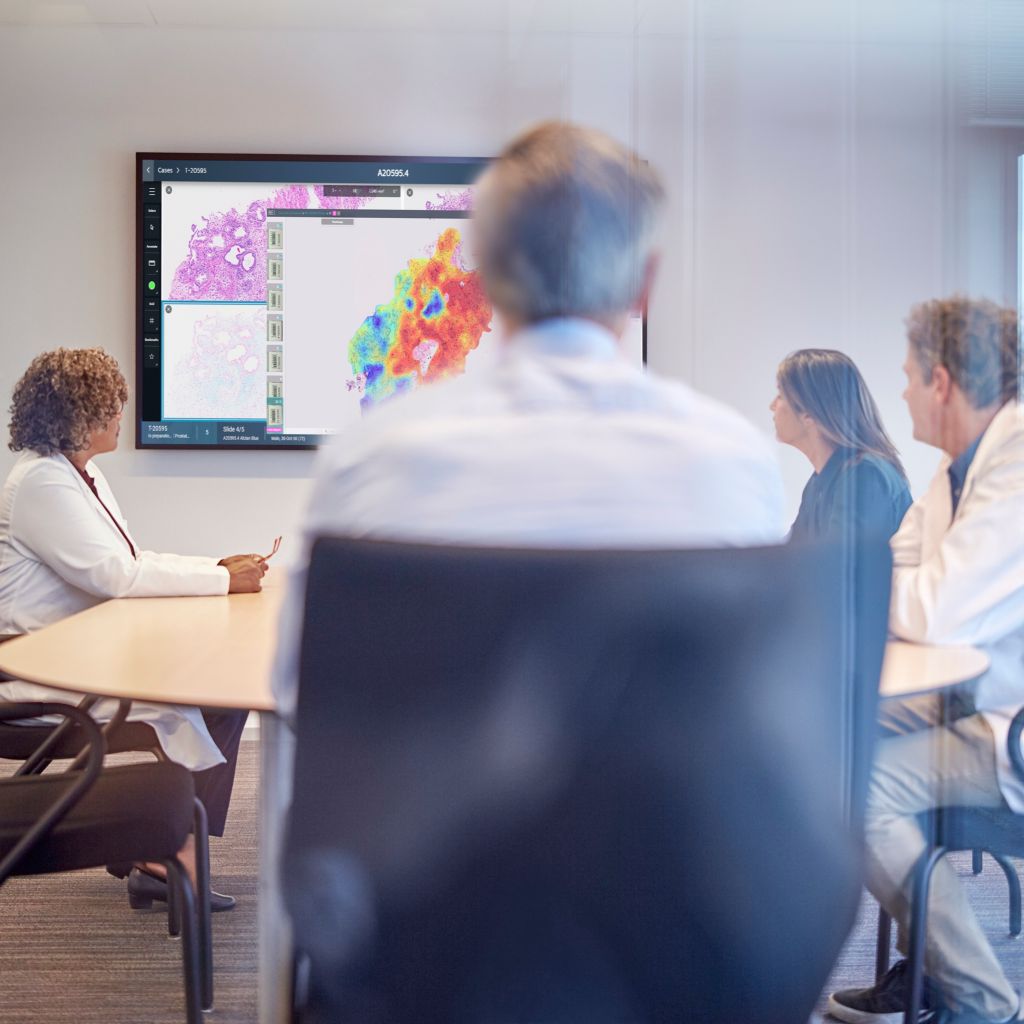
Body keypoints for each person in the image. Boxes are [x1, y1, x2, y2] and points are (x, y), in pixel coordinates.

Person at [273, 121, 790, 1020]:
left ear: (482, 273)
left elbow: (302, 698)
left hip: (424, 946)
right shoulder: (733, 458)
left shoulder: (371, 457)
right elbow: (751, 716)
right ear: (644, 282)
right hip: (679, 944)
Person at [0, 347, 267, 911]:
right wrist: (222, 580)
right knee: (187, 707)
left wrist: (216, 568)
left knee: (219, 700)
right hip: (36, 672)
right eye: (112, 406)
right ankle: (161, 853)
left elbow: (130, 556)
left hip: (84, 655)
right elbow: (118, 576)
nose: (122, 414)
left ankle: (158, 847)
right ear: (82, 416)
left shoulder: (81, 472)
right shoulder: (41, 483)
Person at [827, 296, 1024, 1024]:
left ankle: (982, 1001)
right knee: (830, 740)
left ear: (942, 381)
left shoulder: (1018, 468)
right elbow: (890, 572)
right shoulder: (953, 471)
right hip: (970, 695)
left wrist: (902, 596)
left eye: (910, 375)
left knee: (863, 787)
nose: (902, 389)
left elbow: (928, 608)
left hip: (1009, 722)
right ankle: (933, 968)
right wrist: (903, 595)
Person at [771, 348, 911, 542]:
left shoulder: (865, 476)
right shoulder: (818, 483)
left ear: (809, 412)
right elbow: (791, 560)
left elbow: (842, 570)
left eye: (780, 396)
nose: (772, 406)